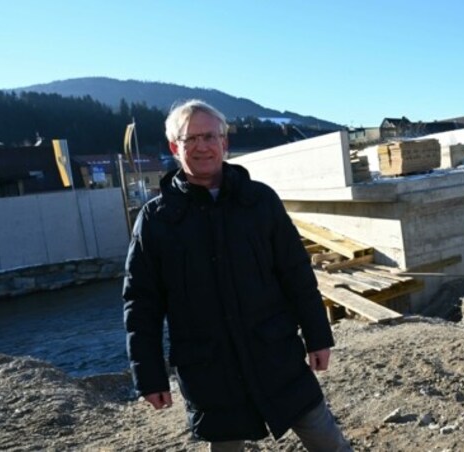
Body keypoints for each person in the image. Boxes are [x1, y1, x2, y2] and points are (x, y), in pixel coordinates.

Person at [123, 99, 351, 451]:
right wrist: (150, 375)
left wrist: (318, 335)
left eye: (210, 136)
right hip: (209, 371)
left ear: (224, 143)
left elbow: (296, 274)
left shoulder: (259, 201)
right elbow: (141, 304)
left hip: (276, 355)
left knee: (328, 442)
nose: (202, 146)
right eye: (190, 138)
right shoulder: (156, 220)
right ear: (174, 147)